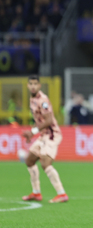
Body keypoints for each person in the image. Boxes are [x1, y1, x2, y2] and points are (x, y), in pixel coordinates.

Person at [21, 75, 68, 203]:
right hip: (43, 135)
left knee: (45, 163)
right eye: (31, 84)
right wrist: (34, 131)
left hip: (52, 134)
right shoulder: (32, 99)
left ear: (39, 86)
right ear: (27, 85)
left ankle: (61, 193)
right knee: (29, 160)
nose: (33, 86)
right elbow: (39, 120)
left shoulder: (43, 100)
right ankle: (36, 193)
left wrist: (32, 132)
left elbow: (48, 120)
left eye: (35, 84)